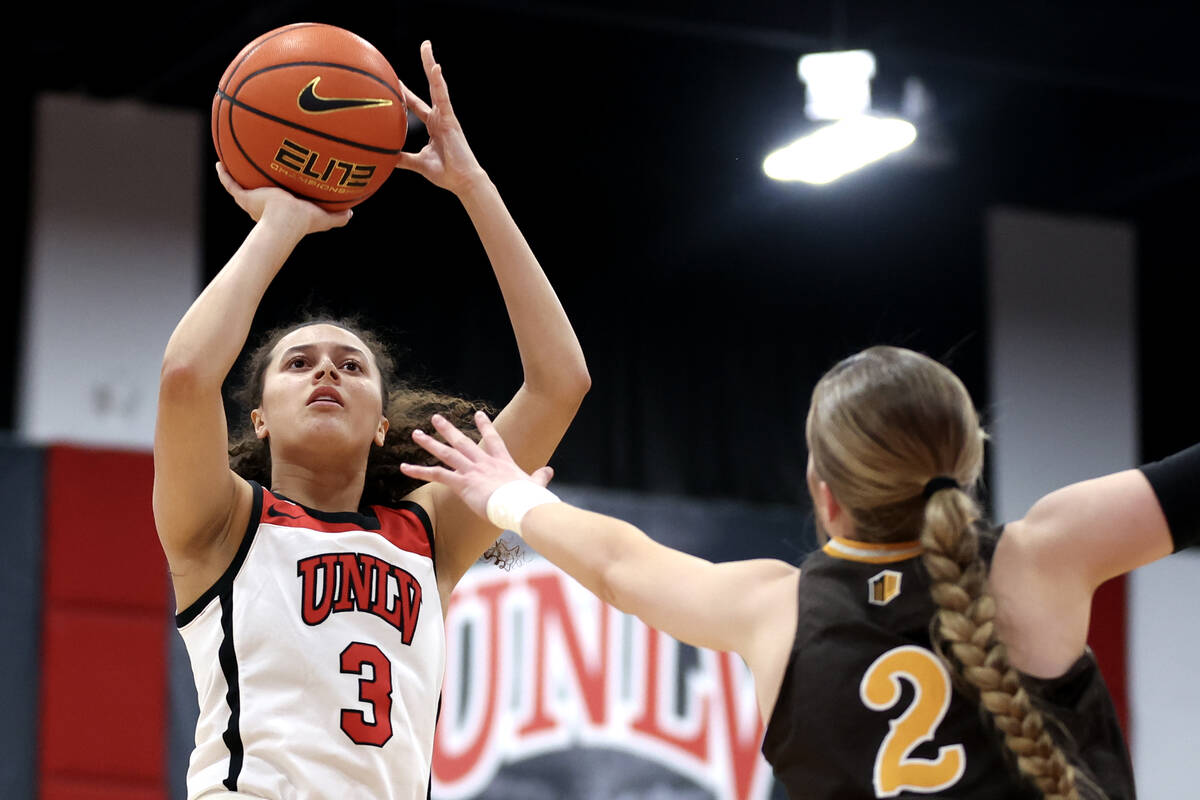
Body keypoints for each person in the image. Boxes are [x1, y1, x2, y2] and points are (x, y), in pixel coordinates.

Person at [401, 345, 1198, 800]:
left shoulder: (771, 609)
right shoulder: (1041, 556)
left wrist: (504, 495)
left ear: (823, 490)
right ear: (969, 459)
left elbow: (616, 564)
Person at [153, 40, 590, 800]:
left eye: (351, 366)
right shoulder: (220, 525)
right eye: (299, 364)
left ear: (383, 424)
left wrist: (473, 185)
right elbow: (187, 377)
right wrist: (279, 226)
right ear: (257, 419)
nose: (326, 370)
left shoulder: (429, 535)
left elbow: (561, 383)